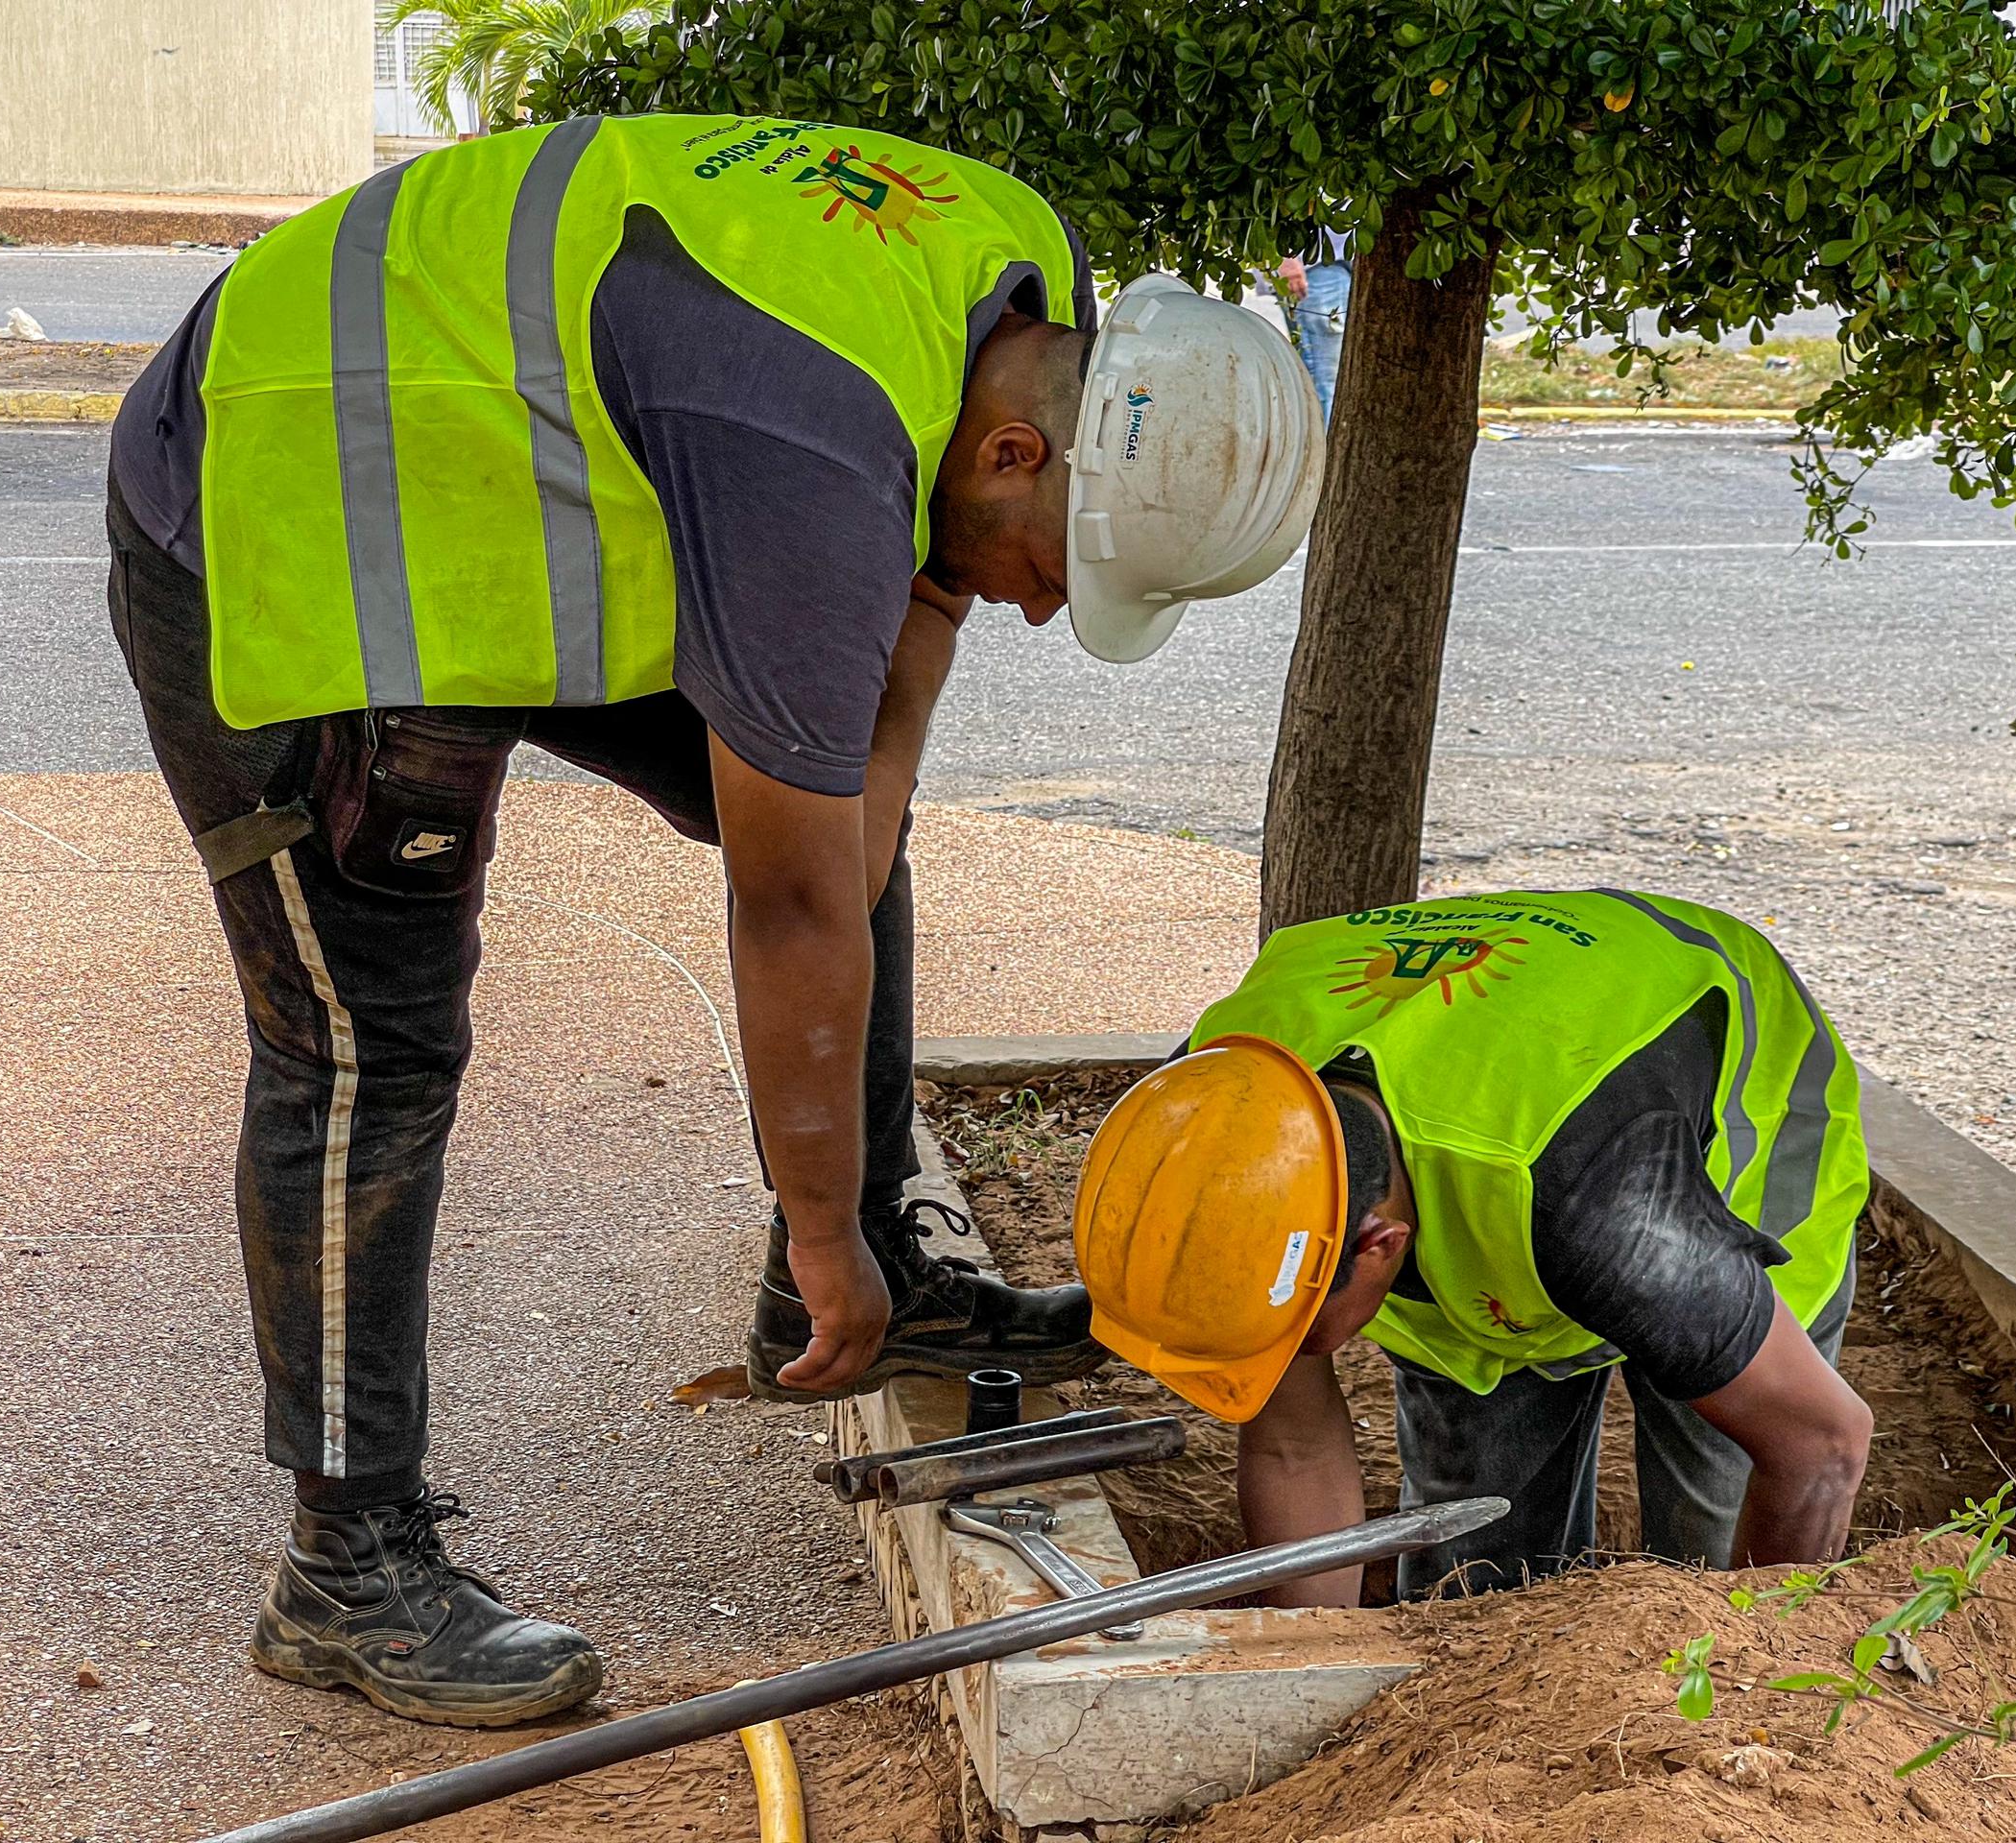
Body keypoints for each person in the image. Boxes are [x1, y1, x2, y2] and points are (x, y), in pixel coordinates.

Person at [105, 114, 1324, 1727]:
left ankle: (870, 1252)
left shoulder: (1027, 301)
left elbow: (895, 676)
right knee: (368, 1041)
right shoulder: (819, 438)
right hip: (292, 502)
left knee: (843, 817)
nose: (1041, 608)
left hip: (513, 455)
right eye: (1056, 574)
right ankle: (345, 1566)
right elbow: (791, 898)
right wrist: (816, 1220)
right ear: (1020, 453)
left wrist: (865, 819)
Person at [1072, 888, 1874, 1607]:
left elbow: (1823, 1443)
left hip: (1709, 1131)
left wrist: (1765, 1658)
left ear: (1382, 1245)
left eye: (1290, 1329)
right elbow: (1291, 1443)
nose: (1279, 1353)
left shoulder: (1611, 1213)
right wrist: (1313, 1668)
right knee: (1478, 1573)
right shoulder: (1215, 1124)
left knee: (1711, 1530)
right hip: (1496, 1153)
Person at [1277, 229, 1354, 422]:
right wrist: (1286, 256)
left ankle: (1319, 448)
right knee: (1327, 381)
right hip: (1317, 267)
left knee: (1324, 381)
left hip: (1332, 262)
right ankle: (1325, 450)